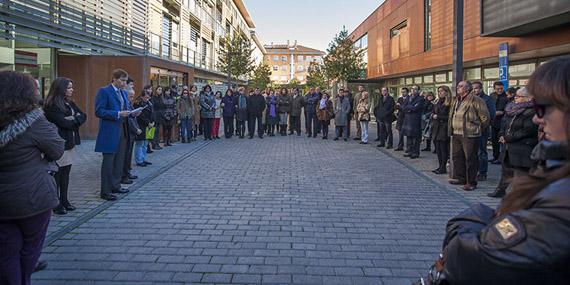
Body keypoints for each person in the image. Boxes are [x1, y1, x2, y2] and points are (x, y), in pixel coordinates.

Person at [427, 55, 570, 285]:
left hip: (472, 137)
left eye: (542, 108)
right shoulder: (553, 173)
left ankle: (470, 181)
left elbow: (476, 257)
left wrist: (474, 216)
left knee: (472, 160)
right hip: (459, 135)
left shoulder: (561, 200)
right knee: (460, 160)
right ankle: (461, 177)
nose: (536, 118)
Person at [0, 71, 65, 285]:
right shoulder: (34, 121)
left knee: (7, 252)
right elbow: (56, 150)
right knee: (30, 249)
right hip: (32, 198)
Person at [42, 77, 86, 215]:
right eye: (69, 87)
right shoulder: (52, 105)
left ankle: (65, 200)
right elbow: (63, 123)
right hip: (59, 143)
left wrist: (73, 118)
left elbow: (83, 115)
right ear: (61, 89)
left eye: (72, 87)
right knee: (57, 174)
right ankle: (56, 203)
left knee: (66, 174)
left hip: (70, 142)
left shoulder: (69, 103)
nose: (72, 90)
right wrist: (74, 119)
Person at [95, 69, 140, 200]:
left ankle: (116, 185)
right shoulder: (104, 91)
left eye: (125, 81)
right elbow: (99, 111)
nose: (124, 83)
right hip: (110, 132)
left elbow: (127, 109)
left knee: (120, 160)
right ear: (114, 79)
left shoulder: (124, 93)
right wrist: (117, 114)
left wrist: (133, 113)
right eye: (122, 80)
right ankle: (105, 191)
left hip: (123, 130)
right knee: (108, 162)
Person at [488, 87, 538, 198]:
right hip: (508, 146)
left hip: (523, 146)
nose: (515, 98)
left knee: (522, 172)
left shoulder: (532, 111)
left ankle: (521, 196)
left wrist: (508, 137)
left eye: (519, 97)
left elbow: (528, 129)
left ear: (528, 98)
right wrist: (501, 135)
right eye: (515, 96)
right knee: (506, 170)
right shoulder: (511, 108)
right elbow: (504, 123)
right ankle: (501, 190)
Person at [448, 81, 490, 191]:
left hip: (470, 134)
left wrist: (476, 127)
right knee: (457, 156)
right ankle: (460, 178)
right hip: (457, 132)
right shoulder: (457, 100)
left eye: (461, 86)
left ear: (468, 88)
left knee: (471, 158)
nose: (458, 88)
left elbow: (485, 118)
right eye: (458, 86)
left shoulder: (476, 100)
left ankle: (471, 182)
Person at [473, 81, 496, 181]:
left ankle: (482, 172)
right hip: (472, 129)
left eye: (477, 88)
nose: (475, 90)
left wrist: (482, 126)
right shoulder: (471, 98)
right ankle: (474, 171)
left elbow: (491, 115)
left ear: (481, 88)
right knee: (474, 151)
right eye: (473, 88)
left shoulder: (487, 99)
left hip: (482, 129)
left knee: (481, 151)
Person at [121, 86, 140, 184]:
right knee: (125, 155)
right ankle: (124, 175)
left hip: (131, 133)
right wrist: (136, 129)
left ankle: (127, 173)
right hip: (127, 132)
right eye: (130, 96)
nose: (132, 99)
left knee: (128, 155)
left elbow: (132, 118)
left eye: (133, 96)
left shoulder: (129, 104)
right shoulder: (125, 105)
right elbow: (129, 120)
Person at [431, 86, 451, 174]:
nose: (440, 93)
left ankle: (443, 167)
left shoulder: (449, 102)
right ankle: (440, 166)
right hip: (436, 127)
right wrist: (433, 115)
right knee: (438, 149)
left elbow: (450, 117)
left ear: (447, 92)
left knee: (443, 149)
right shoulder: (438, 101)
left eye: (442, 91)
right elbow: (434, 112)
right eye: (439, 91)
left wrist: (438, 117)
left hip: (444, 127)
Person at [402, 85, 426, 159]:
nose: (413, 90)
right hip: (408, 120)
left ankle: (415, 153)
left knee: (416, 138)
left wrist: (409, 108)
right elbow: (403, 107)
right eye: (412, 89)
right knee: (409, 137)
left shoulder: (420, 99)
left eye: (415, 89)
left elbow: (416, 108)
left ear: (418, 90)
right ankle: (409, 151)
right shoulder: (408, 97)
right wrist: (410, 107)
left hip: (415, 121)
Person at [133, 87, 154, 166]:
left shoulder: (149, 103)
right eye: (146, 97)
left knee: (146, 144)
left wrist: (152, 122)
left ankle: (143, 158)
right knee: (140, 143)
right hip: (141, 126)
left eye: (148, 97)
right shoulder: (138, 103)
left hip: (150, 126)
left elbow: (152, 113)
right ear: (141, 96)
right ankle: (139, 160)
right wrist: (148, 122)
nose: (147, 99)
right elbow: (140, 116)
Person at [489, 81, 509, 164]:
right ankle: (495, 156)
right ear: (494, 88)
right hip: (494, 121)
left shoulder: (506, 97)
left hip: (503, 121)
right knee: (494, 140)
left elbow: (508, 108)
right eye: (498, 89)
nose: (500, 90)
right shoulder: (492, 96)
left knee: (502, 140)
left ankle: (501, 158)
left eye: (501, 88)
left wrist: (502, 112)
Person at [150, 86, 164, 150]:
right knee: (154, 131)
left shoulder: (161, 98)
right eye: (159, 89)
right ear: (155, 90)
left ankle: (157, 143)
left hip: (160, 116)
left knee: (158, 131)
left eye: (161, 90)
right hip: (155, 115)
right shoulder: (153, 98)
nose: (160, 91)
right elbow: (152, 107)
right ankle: (154, 144)